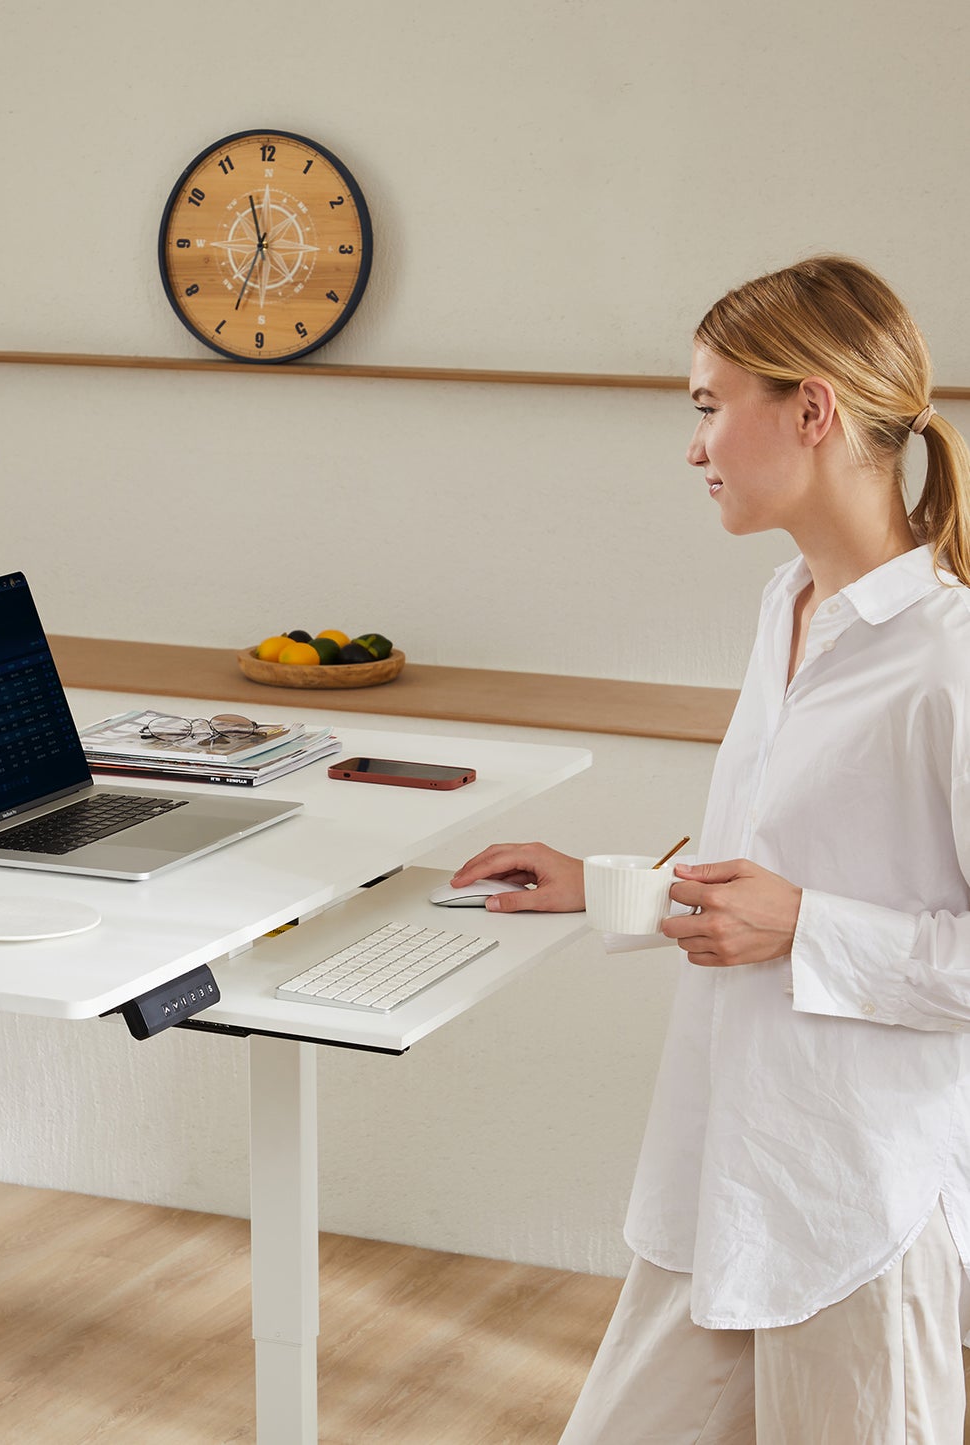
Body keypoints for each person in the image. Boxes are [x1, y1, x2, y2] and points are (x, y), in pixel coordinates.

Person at [451, 255, 970, 1444]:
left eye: (704, 403)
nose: (691, 446)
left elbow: (794, 910)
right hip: (717, 1174)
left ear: (810, 408)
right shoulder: (784, 604)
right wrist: (601, 885)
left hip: (855, 1210)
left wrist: (805, 927)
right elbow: (764, 868)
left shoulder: (945, 659)